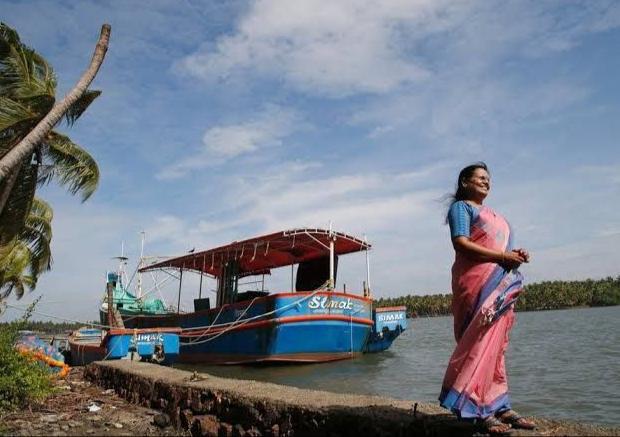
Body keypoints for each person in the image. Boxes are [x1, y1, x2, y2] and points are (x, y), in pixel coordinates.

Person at [439, 162, 536, 435]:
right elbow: (461, 243)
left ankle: (499, 405)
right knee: (478, 343)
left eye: (489, 179)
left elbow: (495, 246)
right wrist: (502, 257)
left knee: (496, 347)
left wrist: (514, 254)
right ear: (465, 182)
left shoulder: (496, 216)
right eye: (480, 177)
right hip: (475, 283)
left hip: (498, 283)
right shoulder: (462, 208)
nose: (486, 182)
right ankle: (476, 409)